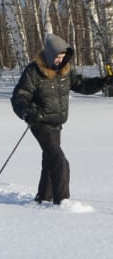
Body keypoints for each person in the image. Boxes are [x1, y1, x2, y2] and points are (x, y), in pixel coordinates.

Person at [11, 33, 112, 205]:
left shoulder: (65, 71)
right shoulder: (34, 71)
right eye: (58, 56)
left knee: (50, 160)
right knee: (60, 161)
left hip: (57, 124)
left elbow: (82, 85)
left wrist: (104, 82)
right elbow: (20, 96)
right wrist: (27, 112)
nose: (60, 59)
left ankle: (43, 197)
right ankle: (62, 202)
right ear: (50, 55)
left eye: (63, 56)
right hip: (39, 122)